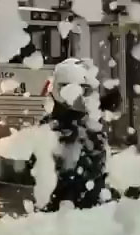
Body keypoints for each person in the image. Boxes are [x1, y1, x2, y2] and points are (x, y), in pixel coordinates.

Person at [36, 58, 121, 212]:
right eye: (80, 90)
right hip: (66, 206)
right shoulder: (54, 125)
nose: (79, 96)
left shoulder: (88, 123)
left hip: (83, 207)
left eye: (84, 90)